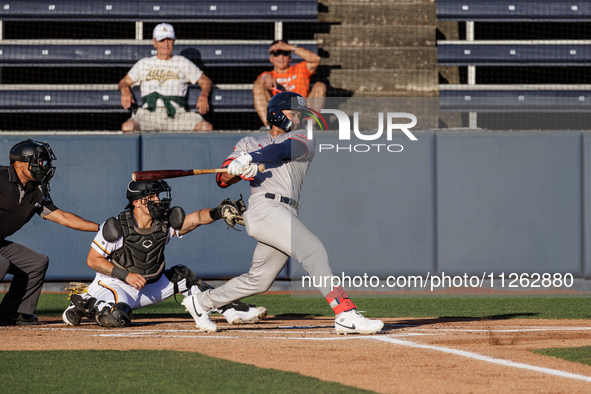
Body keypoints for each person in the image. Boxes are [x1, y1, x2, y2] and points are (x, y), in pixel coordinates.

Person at [182, 92, 384, 334]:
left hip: (286, 211)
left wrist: (250, 159)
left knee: (260, 279)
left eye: (299, 114)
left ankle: (201, 302)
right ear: (276, 113)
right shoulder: (248, 142)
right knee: (313, 249)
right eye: (293, 113)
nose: (297, 119)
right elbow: (222, 179)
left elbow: (284, 150)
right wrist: (234, 170)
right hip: (264, 208)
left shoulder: (303, 138)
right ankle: (345, 313)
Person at [62, 179, 267, 328]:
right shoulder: (117, 226)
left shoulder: (164, 222)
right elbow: (93, 260)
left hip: (151, 284)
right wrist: (127, 275)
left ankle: (231, 309)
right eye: (151, 197)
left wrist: (218, 212)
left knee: (185, 276)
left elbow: (195, 218)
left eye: (157, 196)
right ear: (136, 202)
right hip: (116, 285)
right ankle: (85, 301)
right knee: (117, 317)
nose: (157, 201)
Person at [0, 139, 99, 326]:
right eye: (36, 161)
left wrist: (101, 228)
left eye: (43, 162)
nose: (42, 166)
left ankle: (13, 313)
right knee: (1, 263)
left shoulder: (36, 190)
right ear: (19, 163)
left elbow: (64, 217)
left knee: (36, 263)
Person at [118, 23, 214, 132]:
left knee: (205, 127)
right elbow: (124, 82)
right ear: (154, 42)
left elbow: (206, 81)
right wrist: (125, 90)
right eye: (162, 40)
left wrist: (204, 95)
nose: (166, 44)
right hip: (149, 115)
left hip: (177, 114)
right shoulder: (144, 63)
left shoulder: (182, 62)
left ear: (174, 41)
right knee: (128, 127)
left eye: (169, 39)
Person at [253, 39, 326, 129]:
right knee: (258, 87)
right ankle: (270, 126)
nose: (281, 57)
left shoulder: (300, 69)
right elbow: (258, 84)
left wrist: (290, 47)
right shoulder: (267, 76)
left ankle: (309, 126)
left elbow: (316, 59)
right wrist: (265, 77)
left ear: (290, 57)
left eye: (284, 53)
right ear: (271, 59)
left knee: (320, 86)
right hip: (279, 117)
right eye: (276, 54)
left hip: (301, 115)